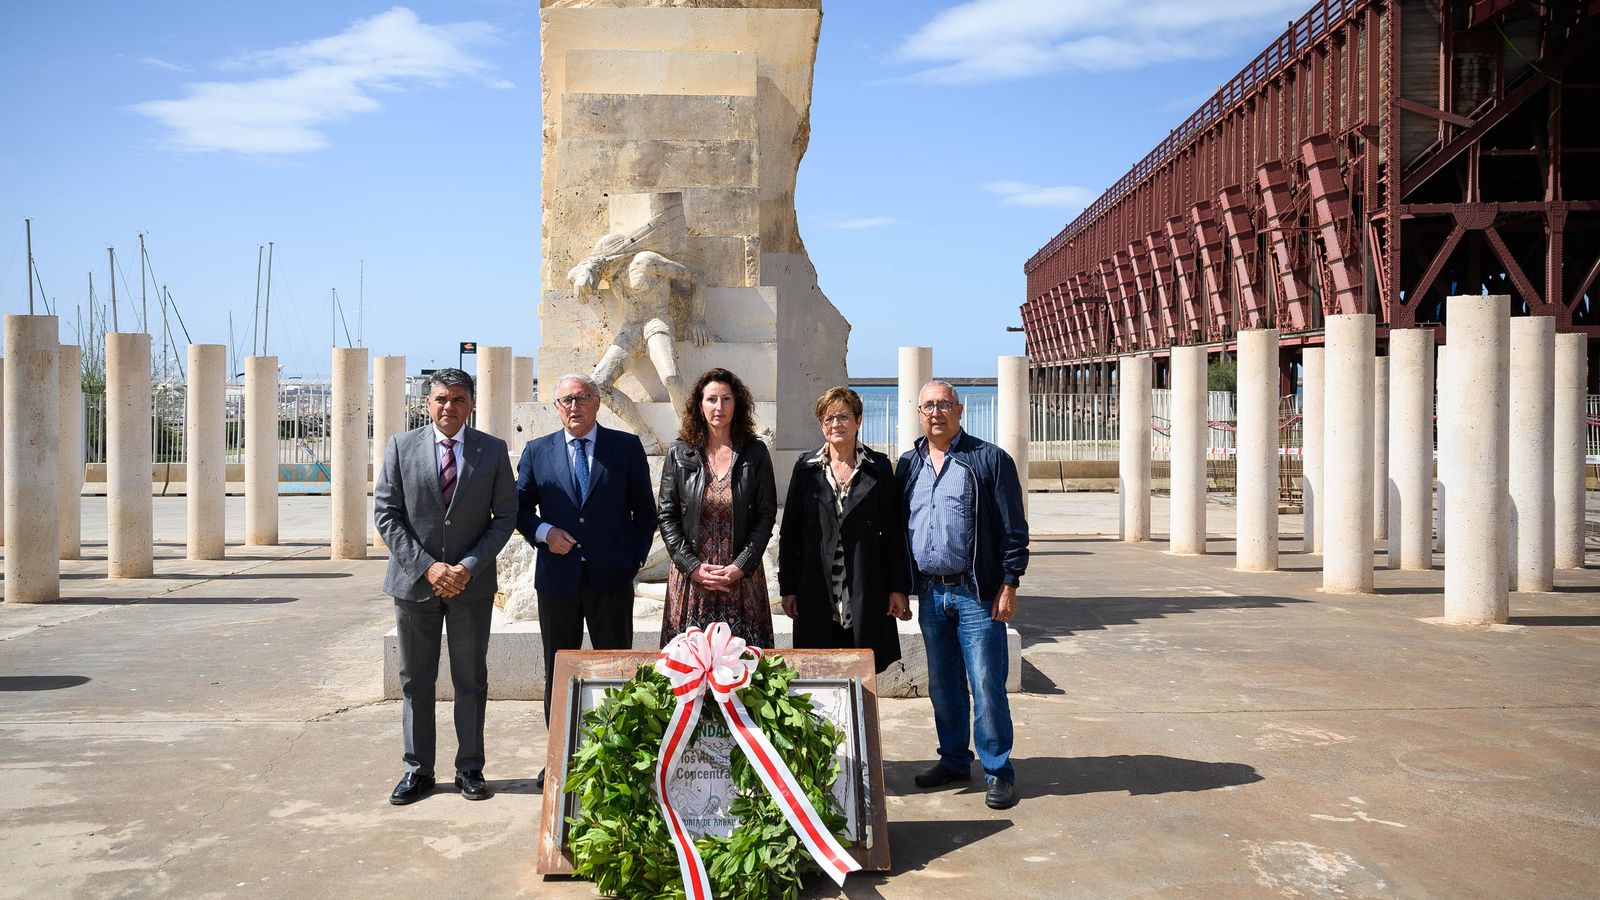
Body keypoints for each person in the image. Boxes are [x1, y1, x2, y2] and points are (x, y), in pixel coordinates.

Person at [375, 368, 517, 805]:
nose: (448, 407)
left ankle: (470, 768)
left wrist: (468, 567)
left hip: (469, 588)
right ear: (426, 403)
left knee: (470, 680)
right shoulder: (401, 447)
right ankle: (417, 770)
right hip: (414, 586)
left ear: (471, 404)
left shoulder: (491, 451)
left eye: (458, 399)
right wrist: (428, 567)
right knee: (416, 680)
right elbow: (386, 514)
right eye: (440, 398)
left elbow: (506, 517)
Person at [515, 373, 656, 794]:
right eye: (565, 400)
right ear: (556, 407)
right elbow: (519, 509)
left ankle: (619, 754)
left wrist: (631, 562)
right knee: (559, 669)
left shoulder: (625, 447)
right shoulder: (537, 451)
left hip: (611, 579)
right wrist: (544, 534)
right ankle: (561, 754)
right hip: (557, 580)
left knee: (616, 668)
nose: (573, 406)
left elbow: (644, 514)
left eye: (582, 398)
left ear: (597, 403)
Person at [898, 380, 1029, 811]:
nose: (936, 412)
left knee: (987, 683)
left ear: (960, 410)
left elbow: (1014, 531)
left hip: (977, 594)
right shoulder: (908, 465)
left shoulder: (989, 460)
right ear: (919, 413)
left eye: (944, 405)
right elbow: (901, 530)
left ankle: (998, 771)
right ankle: (954, 760)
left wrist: (1009, 584)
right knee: (944, 686)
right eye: (928, 406)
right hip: (931, 594)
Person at [778, 386, 912, 672]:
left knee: (862, 672)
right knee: (819, 675)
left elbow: (892, 532)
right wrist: (788, 588)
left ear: (858, 420)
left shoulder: (878, 467)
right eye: (828, 419)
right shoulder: (805, 468)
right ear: (821, 425)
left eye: (842, 416)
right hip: (817, 589)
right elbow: (789, 532)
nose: (835, 424)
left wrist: (898, 588)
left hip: (865, 589)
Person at [657, 367, 777, 648]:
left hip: (741, 580)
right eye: (711, 399)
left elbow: (765, 515)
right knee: (687, 669)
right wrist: (692, 566)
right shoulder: (679, 452)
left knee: (746, 673)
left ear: (738, 404)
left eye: (726, 399)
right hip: (693, 580)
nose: (719, 407)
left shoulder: (755, 452)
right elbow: (667, 515)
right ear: (699, 405)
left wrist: (741, 566)